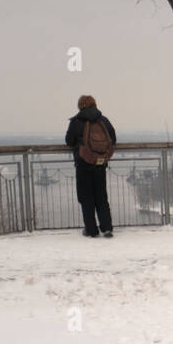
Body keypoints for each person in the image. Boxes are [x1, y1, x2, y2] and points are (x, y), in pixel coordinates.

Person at [65, 95, 117, 237]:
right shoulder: (103, 120)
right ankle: (107, 228)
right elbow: (113, 138)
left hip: (83, 164)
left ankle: (91, 230)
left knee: (86, 197)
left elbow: (69, 141)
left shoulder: (76, 122)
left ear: (80, 105)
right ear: (94, 104)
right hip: (100, 163)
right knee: (101, 196)